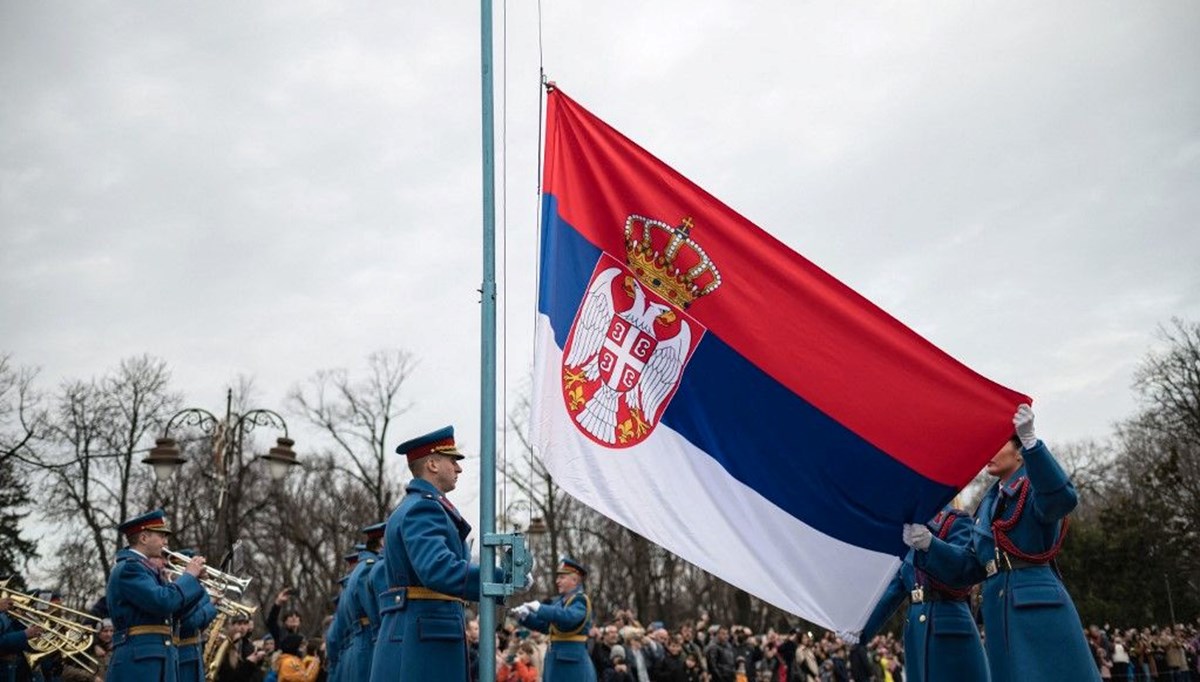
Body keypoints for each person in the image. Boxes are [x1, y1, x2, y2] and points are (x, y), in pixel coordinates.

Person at [909, 404, 1100, 682]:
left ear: (1018, 452)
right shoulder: (987, 503)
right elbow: (969, 568)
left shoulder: (1033, 484)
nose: (988, 453)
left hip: (1035, 607)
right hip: (1000, 610)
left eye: (998, 445)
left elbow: (1061, 499)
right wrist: (930, 546)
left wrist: (1033, 445)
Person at [369, 426, 498, 682]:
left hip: (417, 634)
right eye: (452, 460)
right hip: (427, 639)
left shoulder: (413, 507)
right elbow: (437, 569)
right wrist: (497, 580)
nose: (458, 468)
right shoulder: (425, 508)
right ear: (432, 464)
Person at [842, 504, 987, 682]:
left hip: (949, 625)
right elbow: (894, 588)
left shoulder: (956, 521)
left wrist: (931, 545)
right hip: (916, 631)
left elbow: (964, 569)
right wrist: (860, 629)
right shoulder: (908, 531)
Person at [105, 509, 207, 682]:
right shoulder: (130, 568)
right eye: (162, 537)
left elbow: (175, 612)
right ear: (144, 538)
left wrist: (196, 583)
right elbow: (163, 601)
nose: (165, 543)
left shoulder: (145, 570)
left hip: (156, 659)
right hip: (140, 663)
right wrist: (189, 576)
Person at [513, 557, 596, 682]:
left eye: (562, 577)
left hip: (572, 667)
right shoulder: (559, 603)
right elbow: (547, 627)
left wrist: (540, 608)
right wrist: (525, 617)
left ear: (574, 580)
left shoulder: (580, 600)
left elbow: (568, 617)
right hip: (557, 664)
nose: (557, 581)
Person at [333, 525, 382, 682]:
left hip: (359, 642)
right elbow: (376, 611)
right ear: (382, 542)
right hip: (368, 640)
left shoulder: (363, 569)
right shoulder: (368, 568)